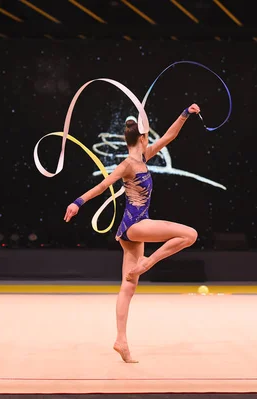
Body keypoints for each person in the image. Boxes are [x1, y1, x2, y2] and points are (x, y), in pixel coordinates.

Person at [64, 104, 201, 363]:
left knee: (128, 285)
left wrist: (184, 113)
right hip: (135, 224)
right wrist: (78, 203)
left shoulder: (145, 156)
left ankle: (121, 340)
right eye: (147, 134)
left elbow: (170, 136)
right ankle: (148, 263)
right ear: (141, 137)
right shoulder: (128, 164)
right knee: (189, 235)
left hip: (132, 228)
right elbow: (103, 185)